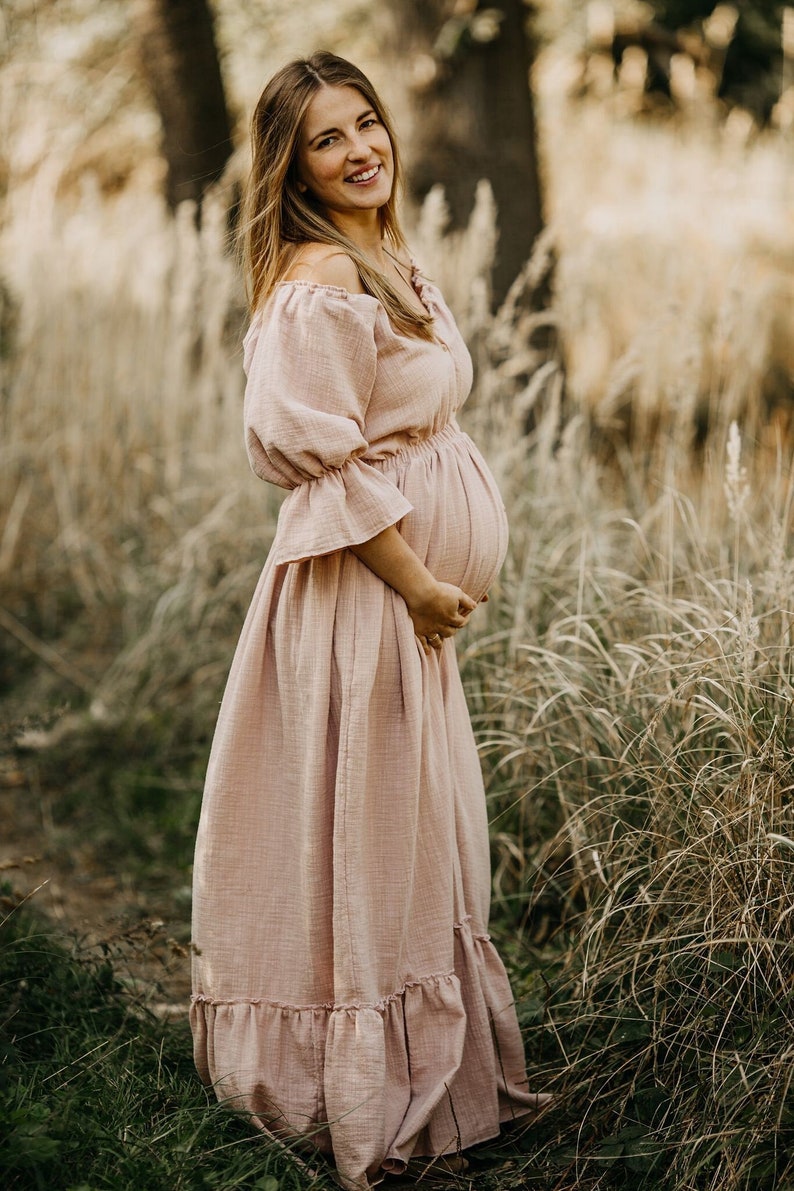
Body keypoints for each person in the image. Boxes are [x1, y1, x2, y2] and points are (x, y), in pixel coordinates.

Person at [190, 50, 551, 1191]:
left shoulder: (378, 257)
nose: (361, 151)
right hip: (362, 597)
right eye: (326, 140)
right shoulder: (315, 285)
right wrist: (416, 581)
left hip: (400, 606)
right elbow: (319, 471)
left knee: (401, 839)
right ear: (290, 167)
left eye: (366, 124)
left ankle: (426, 1078)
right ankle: (354, 1088)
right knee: (367, 838)